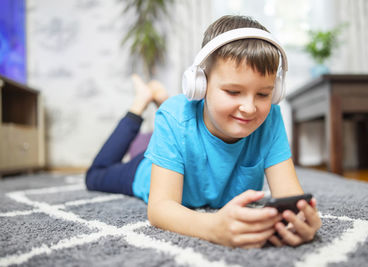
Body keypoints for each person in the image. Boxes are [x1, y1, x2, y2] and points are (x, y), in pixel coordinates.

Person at [86, 15, 321, 249]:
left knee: (174, 122)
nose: (250, 108)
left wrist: (300, 219)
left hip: (180, 132)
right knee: (95, 175)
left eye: (263, 94)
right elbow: (159, 209)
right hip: (145, 170)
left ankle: (162, 103)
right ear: (199, 85)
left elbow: (291, 197)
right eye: (233, 91)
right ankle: (141, 102)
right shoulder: (174, 117)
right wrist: (213, 227)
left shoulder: (270, 118)